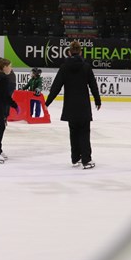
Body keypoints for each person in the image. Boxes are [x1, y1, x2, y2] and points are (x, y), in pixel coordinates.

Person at [45, 40, 101, 169]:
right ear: (80, 52)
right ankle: (86, 160)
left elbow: (56, 87)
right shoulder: (86, 66)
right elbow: (93, 85)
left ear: (69, 52)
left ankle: (75, 158)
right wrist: (98, 100)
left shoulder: (64, 67)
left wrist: (47, 102)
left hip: (70, 106)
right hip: (83, 106)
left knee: (73, 132)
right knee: (84, 132)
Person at [0, 58, 18, 163]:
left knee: (1, 126)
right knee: (1, 126)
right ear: (5, 67)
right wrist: (14, 105)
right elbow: (5, 95)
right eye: (10, 66)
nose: (11, 68)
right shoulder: (3, 78)